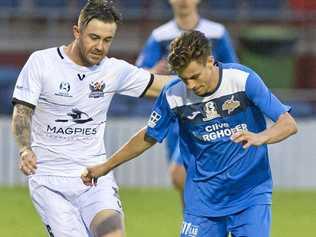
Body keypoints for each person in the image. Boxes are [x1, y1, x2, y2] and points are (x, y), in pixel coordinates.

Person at [82, 31, 298, 237]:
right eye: (185, 79)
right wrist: (105, 166)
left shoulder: (242, 79)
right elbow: (149, 135)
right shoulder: (174, 93)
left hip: (250, 195)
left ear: (210, 61)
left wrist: (260, 137)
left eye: (195, 76)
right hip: (202, 202)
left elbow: (288, 124)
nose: (191, 86)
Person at [11, 1, 171, 237]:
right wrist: (25, 149)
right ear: (77, 31)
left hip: (94, 176)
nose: (100, 46)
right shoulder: (42, 62)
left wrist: (215, 77)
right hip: (49, 180)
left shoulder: (113, 70)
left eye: (107, 40)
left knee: (113, 234)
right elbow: (22, 111)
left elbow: (162, 86)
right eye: (94, 37)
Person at [136, 0, 238, 203]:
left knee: (181, 174)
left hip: (209, 115)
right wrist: (155, 72)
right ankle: (197, 227)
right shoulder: (160, 35)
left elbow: (233, 71)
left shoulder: (216, 32)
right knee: (184, 183)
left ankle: (211, 220)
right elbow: (139, 77)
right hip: (176, 117)